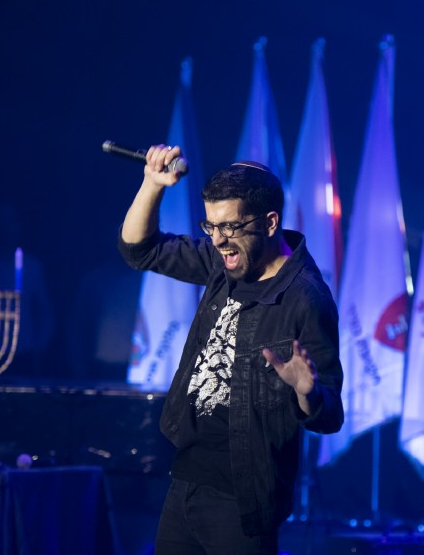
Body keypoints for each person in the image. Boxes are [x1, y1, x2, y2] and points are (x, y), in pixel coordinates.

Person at [118, 144, 344, 554]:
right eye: (211, 226)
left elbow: (330, 415)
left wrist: (308, 393)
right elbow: (140, 250)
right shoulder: (223, 260)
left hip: (243, 499)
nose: (219, 240)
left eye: (231, 227)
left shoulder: (306, 298)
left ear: (270, 222)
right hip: (184, 479)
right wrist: (152, 184)